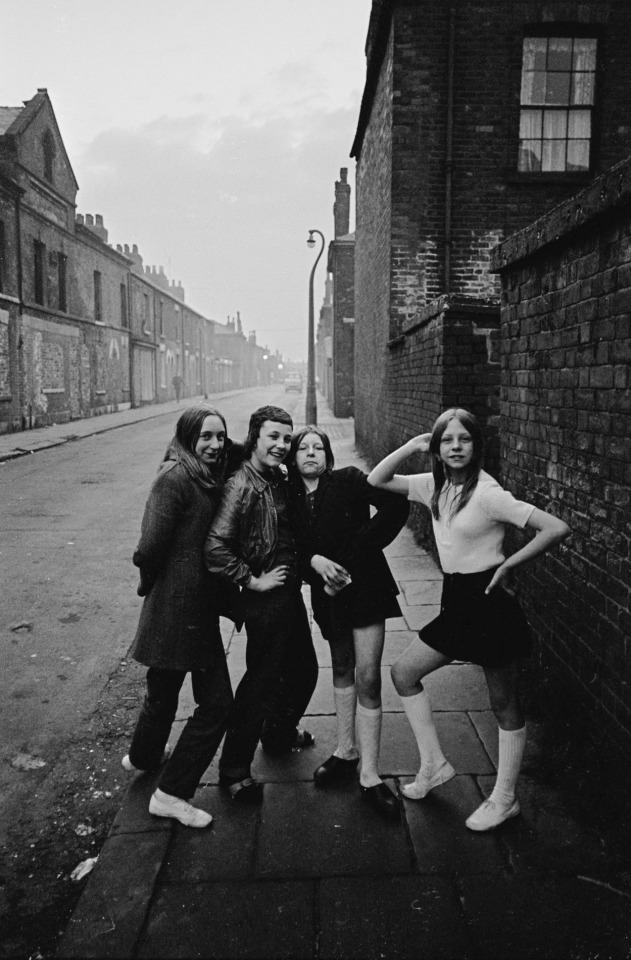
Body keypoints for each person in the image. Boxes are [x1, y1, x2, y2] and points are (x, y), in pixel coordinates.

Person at [367, 407, 570, 831]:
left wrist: (509, 563)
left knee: (503, 703)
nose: (456, 447)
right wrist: (410, 446)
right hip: (456, 602)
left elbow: (555, 528)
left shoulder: (488, 494)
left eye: (464, 439)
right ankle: (434, 764)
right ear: (437, 448)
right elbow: (377, 480)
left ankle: (505, 798)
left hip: (490, 604)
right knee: (404, 674)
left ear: (476, 446)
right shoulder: (432, 486)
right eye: (447, 440)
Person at [122, 404, 240, 828]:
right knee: (217, 705)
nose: (214, 445)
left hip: (191, 608)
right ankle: (171, 794)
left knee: (164, 689)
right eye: (205, 436)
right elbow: (147, 548)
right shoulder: (175, 479)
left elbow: (239, 451)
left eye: (220, 436)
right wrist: (150, 584)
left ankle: (142, 757)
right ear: (187, 438)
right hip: (180, 609)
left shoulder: (205, 474)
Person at [288, 426, 409, 818]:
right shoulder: (286, 498)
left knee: (368, 676)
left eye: (318, 447)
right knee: (341, 667)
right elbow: (291, 546)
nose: (311, 453)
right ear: (293, 458)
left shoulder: (351, 480)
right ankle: (345, 752)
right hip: (328, 595)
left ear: (327, 455)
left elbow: (396, 507)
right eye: (302, 448)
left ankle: (371, 775)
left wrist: (357, 549)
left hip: (367, 588)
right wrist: (314, 563)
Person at [204, 405, 319, 803]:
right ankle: (233, 769)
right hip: (266, 600)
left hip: (287, 595)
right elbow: (215, 548)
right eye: (273, 437)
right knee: (261, 683)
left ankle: (278, 734)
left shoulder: (274, 476)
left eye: (287, 439)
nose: (282, 445)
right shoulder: (243, 485)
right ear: (254, 438)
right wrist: (252, 581)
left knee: (304, 672)